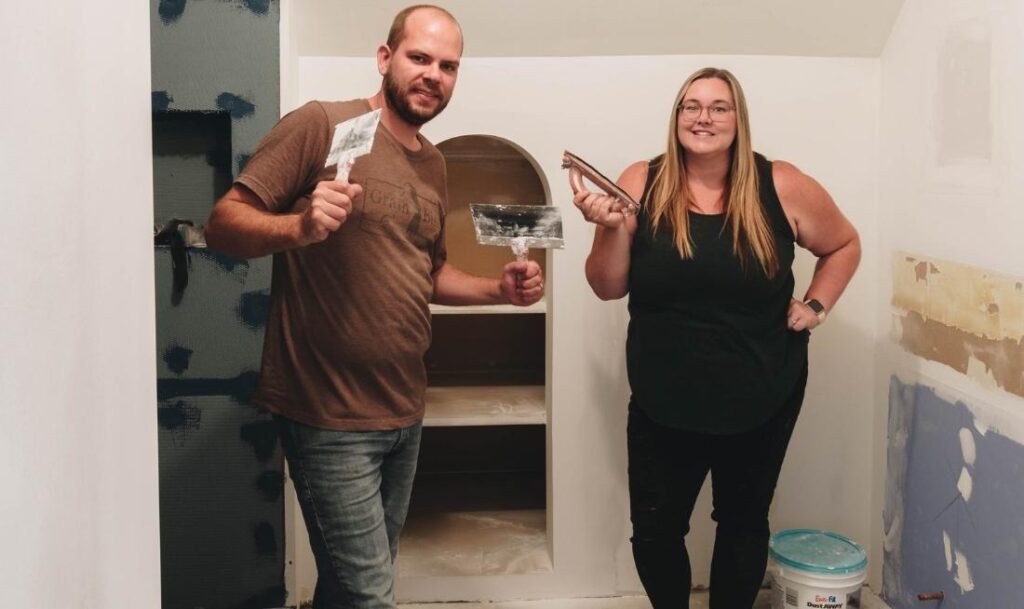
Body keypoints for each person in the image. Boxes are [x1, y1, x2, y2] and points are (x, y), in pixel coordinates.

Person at [204, 6, 543, 608]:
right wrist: (299, 227)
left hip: (403, 411)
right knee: (371, 596)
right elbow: (225, 223)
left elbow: (430, 271)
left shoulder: (434, 163)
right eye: (419, 58)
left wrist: (498, 291)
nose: (432, 75)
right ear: (386, 59)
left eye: (448, 66)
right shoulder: (320, 124)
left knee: (348, 585)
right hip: (327, 414)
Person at [570, 67, 860, 609]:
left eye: (719, 106)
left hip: (762, 392)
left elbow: (843, 244)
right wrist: (608, 227)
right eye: (691, 106)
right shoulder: (640, 181)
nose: (703, 117)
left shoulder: (782, 183)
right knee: (655, 531)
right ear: (676, 117)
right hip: (663, 397)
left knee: (744, 523)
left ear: (738, 118)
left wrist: (816, 306)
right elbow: (607, 286)